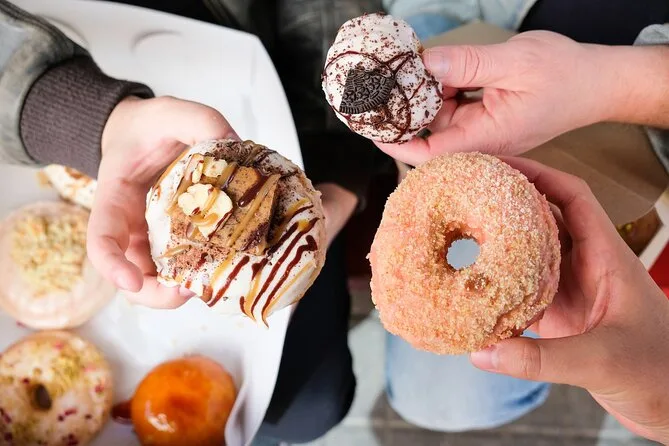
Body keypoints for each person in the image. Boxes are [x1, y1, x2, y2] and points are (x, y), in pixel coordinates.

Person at [0, 0, 379, 442]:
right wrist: (91, 120)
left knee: (311, 406)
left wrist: (341, 176)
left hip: (296, 107)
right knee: (298, 411)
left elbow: (330, 18)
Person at [376, 3, 669, 444]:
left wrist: (663, 412)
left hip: (612, 116)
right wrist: (599, 79)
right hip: (514, 42)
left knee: (448, 399)